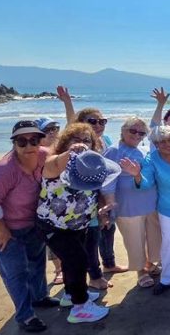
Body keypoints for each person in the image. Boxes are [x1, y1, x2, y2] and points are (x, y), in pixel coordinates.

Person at [0, 121, 58, 333]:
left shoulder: (46, 155)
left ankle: (40, 297)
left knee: (37, 261)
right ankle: (25, 316)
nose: (29, 146)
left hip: (30, 222)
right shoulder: (3, 171)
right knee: (16, 271)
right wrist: (2, 230)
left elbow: (64, 160)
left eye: (34, 140)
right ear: (14, 143)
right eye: (22, 141)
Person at [38, 147, 119, 324]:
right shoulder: (57, 169)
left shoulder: (91, 170)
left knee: (72, 262)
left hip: (78, 226)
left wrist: (102, 212)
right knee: (78, 261)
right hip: (54, 226)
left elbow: (94, 196)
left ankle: (71, 294)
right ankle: (80, 308)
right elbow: (52, 163)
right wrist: (71, 153)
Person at [120, 126, 170, 295]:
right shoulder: (151, 159)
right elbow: (146, 183)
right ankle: (167, 279)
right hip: (168, 207)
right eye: (162, 142)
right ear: (155, 144)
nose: (167, 144)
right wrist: (136, 175)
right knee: (169, 243)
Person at [56, 86, 123, 275]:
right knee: (92, 234)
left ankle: (109, 264)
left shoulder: (106, 140)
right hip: (86, 194)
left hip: (105, 191)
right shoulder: (80, 142)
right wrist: (68, 103)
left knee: (109, 228)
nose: (99, 125)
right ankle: (94, 274)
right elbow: (71, 126)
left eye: (102, 121)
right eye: (93, 121)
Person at [102, 117, 161, 288]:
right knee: (134, 240)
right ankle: (141, 271)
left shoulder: (143, 150)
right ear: (123, 131)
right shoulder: (114, 151)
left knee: (153, 237)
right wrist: (109, 203)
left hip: (150, 203)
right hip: (128, 205)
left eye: (141, 133)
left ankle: (150, 264)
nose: (137, 135)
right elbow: (108, 180)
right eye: (132, 131)